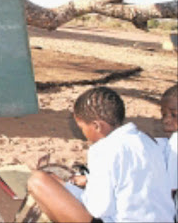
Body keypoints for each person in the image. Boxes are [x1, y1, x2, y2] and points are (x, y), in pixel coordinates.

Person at [27, 86, 175, 223]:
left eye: (83, 128)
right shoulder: (149, 142)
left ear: (97, 126)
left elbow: (98, 209)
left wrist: (68, 188)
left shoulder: (103, 149)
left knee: (37, 181)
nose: (84, 135)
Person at [158, 84, 177, 219]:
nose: (166, 120)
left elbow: (170, 190)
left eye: (173, 114)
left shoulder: (176, 142)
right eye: (163, 114)